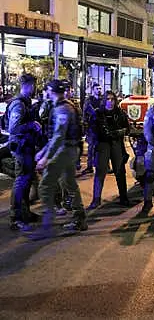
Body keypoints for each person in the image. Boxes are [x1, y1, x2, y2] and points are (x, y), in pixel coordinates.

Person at [32, 79, 87, 239]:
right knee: (69, 183)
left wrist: (45, 158)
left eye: (47, 90)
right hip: (68, 150)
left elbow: (58, 136)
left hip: (64, 151)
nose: (45, 92)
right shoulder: (65, 106)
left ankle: (47, 224)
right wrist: (43, 151)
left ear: (52, 91)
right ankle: (79, 218)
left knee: (45, 186)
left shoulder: (62, 109)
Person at [7, 74, 41, 231]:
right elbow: (14, 128)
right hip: (21, 149)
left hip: (27, 148)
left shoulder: (26, 103)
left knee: (26, 182)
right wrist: (31, 125)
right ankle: (15, 217)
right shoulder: (19, 104)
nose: (35, 88)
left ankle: (25, 213)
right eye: (34, 85)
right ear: (28, 85)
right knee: (21, 183)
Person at [87, 91, 130, 209]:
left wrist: (118, 132)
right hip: (102, 144)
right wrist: (99, 136)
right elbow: (91, 129)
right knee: (100, 173)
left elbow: (127, 128)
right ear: (104, 100)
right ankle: (96, 199)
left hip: (116, 144)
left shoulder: (120, 113)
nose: (110, 102)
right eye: (108, 99)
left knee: (120, 171)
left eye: (112, 99)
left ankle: (124, 197)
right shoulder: (98, 113)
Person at [81, 83, 103, 175]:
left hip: (101, 127)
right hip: (92, 127)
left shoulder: (102, 100)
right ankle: (89, 166)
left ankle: (103, 166)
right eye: (97, 88)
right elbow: (85, 112)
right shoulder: (89, 100)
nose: (99, 90)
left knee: (102, 148)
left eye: (100, 88)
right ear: (93, 89)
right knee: (91, 148)